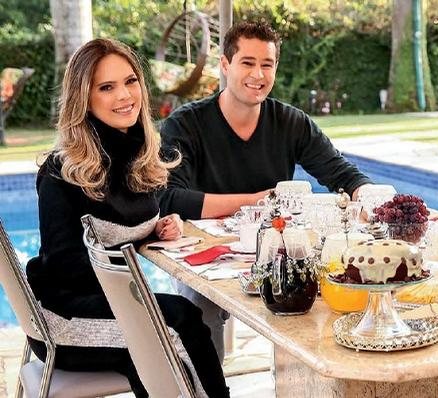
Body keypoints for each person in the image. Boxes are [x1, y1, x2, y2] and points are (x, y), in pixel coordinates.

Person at [25, 38, 229, 397]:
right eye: (107, 87)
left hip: (111, 306)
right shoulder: (63, 172)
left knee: (169, 343)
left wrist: (159, 227)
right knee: (179, 323)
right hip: (64, 318)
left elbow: (123, 226)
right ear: (83, 98)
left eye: (130, 81)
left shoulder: (137, 158)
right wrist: (133, 282)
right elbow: (67, 266)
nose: (124, 96)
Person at [159, 20, 372, 360]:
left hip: (278, 250)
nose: (258, 75)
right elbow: (169, 197)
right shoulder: (185, 124)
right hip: (208, 255)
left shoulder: (291, 122)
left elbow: (340, 172)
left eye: (267, 64)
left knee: (339, 283)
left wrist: (370, 198)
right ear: (225, 65)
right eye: (247, 63)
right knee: (198, 310)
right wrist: (261, 200)